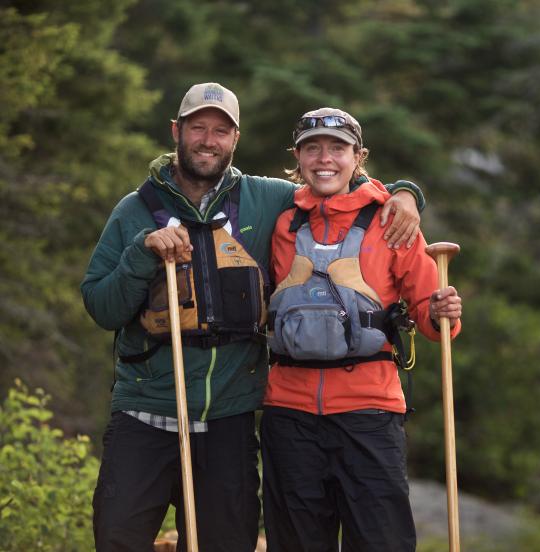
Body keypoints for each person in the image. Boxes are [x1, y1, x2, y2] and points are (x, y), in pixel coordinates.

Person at [81, 83, 427, 552]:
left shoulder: (269, 201)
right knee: (118, 538)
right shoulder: (135, 209)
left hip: (229, 415)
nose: (208, 139)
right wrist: (141, 253)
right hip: (146, 407)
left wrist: (405, 195)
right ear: (176, 131)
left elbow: (335, 191)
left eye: (220, 130)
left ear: (235, 139)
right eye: (197, 127)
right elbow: (102, 307)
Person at [260, 107, 462, 552]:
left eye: (338, 148)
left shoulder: (392, 219)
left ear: (359, 156)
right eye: (312, 148)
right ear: (298, 157)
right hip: (288, 412)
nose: (324, 158)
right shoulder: (282, 222)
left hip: (369, 412)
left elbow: (433, 319)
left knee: (380, 542)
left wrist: (443, 311)